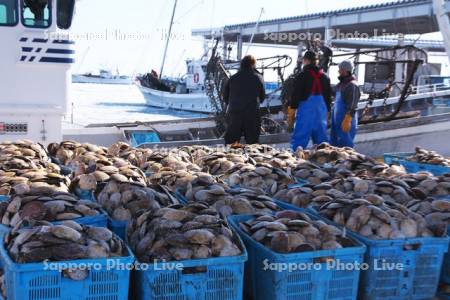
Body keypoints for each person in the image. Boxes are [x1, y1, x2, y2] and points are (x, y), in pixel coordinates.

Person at [287, 51, 332, 151]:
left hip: (305, 114)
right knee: (322, 144)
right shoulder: (325, 77)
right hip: (321, 114)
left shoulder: (302, 76)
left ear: (306, 61)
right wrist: (329, 112)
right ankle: (324, 162)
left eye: (304, 60)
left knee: (299, 141)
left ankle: (295, 160)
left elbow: (296, 94)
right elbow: (328, 97)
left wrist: (292, 110)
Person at [223, 55, 265, 145]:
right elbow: (262, 97)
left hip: (234, 114)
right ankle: (251, 157)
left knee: (232, 143)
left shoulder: (232, 78)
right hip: (252, 114)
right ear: (253, 64)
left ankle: (233, 156)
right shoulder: (258, 77)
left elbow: (225, 98)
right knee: (253, 143)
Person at [330, 60, 360, 148]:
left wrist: (347, 119)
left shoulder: (352, 86)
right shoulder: (341, 85)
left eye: (340, 69)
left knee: (346, 146)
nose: (338, 71)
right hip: (337, 122)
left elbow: (352, 104)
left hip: (345, 121)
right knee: (334, 145)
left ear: (346, 71)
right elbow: (332, 92)